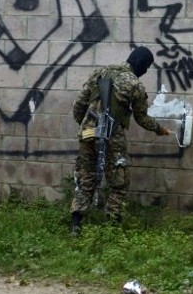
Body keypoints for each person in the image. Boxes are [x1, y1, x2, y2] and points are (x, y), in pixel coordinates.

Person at [70, 46, 170, 234]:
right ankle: (112, 225)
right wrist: (159, 129)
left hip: (87, 134)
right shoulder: (134, 85)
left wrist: (85, 125)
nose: (145, 71)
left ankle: (76, 224)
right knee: (119, 181)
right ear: (140, 64)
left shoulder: (100, 73)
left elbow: (79, 104)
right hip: (110, 138)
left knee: (86, 177)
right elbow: (142, 118)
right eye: (146, 67)